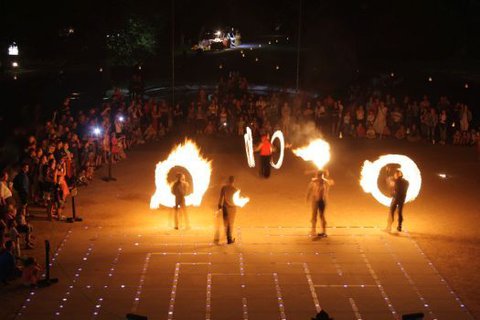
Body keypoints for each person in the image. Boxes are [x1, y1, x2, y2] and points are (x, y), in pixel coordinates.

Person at [306, 170, 334, 237]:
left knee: (321, 216)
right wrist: (307, 197)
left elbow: (331, 182)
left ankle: (324, 232)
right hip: (315, 201)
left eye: (319, 175)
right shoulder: (313, 182)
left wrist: (324, 175)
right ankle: (313, 231)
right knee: (314, 216)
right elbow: (309, 190)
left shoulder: (325, 182)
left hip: (322, 201)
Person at [217, 176, 238, 244]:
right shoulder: (235, 189)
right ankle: (229, 238)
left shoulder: (224, 188)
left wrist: (219, 205)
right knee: (230, 223)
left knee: (226, 223)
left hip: (225, 207)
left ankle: (227, 237)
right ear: (233, 181)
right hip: (232, 208)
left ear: (228, 180)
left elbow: (221, 197)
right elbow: (236, 200)